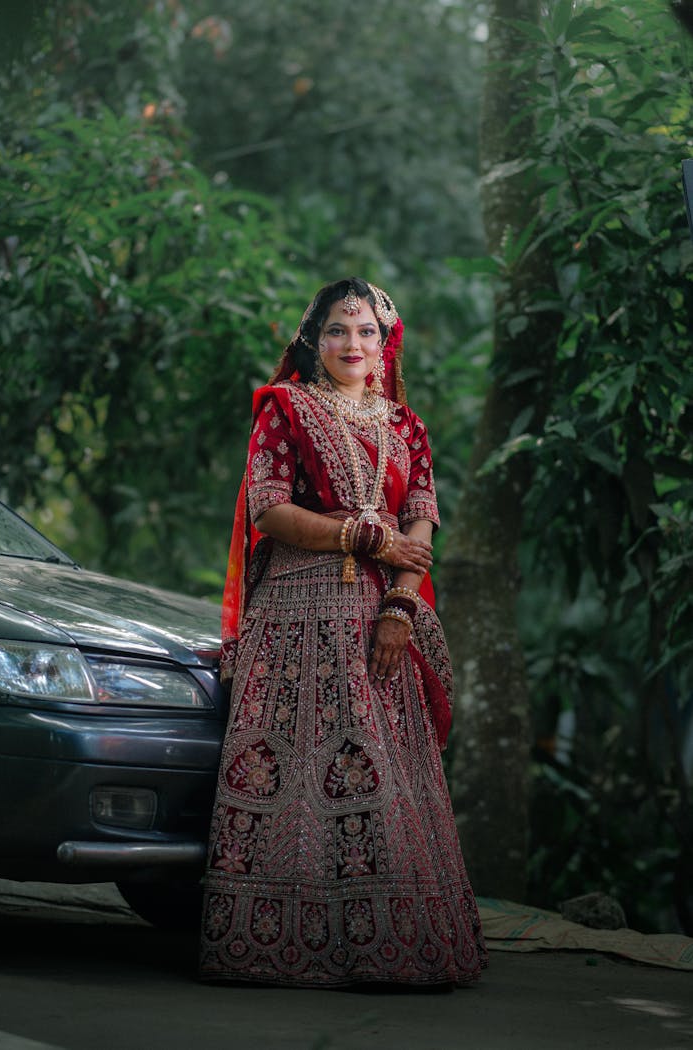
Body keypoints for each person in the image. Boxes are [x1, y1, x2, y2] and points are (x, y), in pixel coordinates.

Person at [200, 277, 487, 988]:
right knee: (291, 772)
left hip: (381, 628)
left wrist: (400, 607)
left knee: (382, 779)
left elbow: (420, 524)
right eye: (335, 330)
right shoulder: (285, 409)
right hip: (295, 621)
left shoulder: (407, 425)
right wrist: (366, 536)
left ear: (385, 343)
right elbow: (268, 510)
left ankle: (386, 948)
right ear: (313, 340)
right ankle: (266, 947)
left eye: (364, 331)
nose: (350, 344)